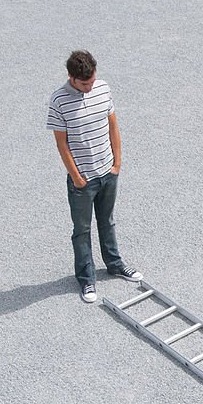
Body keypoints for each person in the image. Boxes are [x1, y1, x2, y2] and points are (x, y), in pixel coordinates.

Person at [47, 49, 142, 303]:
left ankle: (114, 264)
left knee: (107, 221)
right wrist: (77, 177)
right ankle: (87, 279)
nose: (89, 87)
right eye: (84, 84)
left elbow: (113, 125)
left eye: (91, 81)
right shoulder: (58, 101)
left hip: (108, 171)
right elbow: (62, 144)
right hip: (83, 180)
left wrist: (117, 163)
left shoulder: (103, 89)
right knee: (82, 230)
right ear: (71, 77)